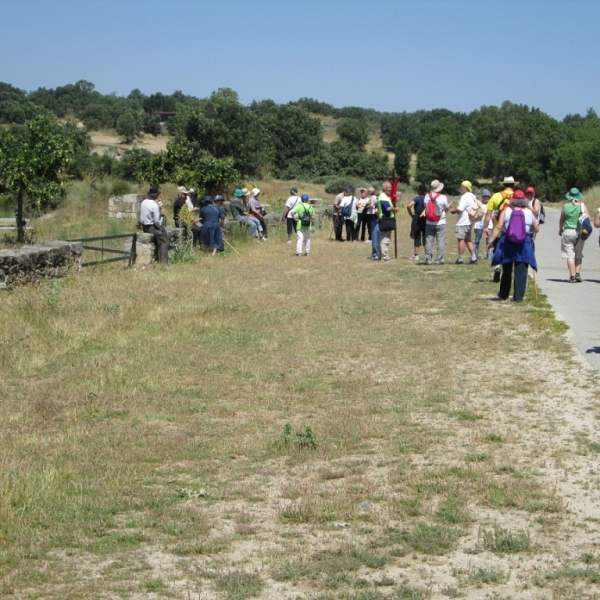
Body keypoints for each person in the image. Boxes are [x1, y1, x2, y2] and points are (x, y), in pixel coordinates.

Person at [486, 190, 538, 301]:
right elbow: (536, 228)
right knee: (521, 270)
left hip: (508, 242)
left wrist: (491, 241)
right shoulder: (529, 212)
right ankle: (518, 297)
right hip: (523, 244)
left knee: (507, 269)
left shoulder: (506, 211)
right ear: (524, 200)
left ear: (512, 199)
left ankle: (503, 294)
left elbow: (499, 227)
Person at [483, 176, 516, 281]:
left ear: (503, 185)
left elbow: (488, 213)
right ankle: (508, 270)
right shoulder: (517, 196)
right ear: (513, 185)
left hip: (498, 227)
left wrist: (485, 227)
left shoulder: (496, 196)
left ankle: (497, 266)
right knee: (509, 251)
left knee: (497, 248)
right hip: (514, 229)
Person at [559, 187, 589, 283]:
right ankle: (577, 273)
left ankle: (571, 276)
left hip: (568, 231)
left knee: (570, 255)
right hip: (579, 232)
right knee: (578, 254)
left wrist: (560, 229)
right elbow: (587, 219)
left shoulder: (565, 206)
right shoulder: (582, 206)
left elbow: (561, 219)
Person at [140, 186, 170, 264]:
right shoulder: (154, 205)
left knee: (163, 232)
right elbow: (156, 221)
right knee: (164, 241)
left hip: (144, 226)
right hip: (151, 227)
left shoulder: (144, 202)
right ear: (156, 195)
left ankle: (160, 255)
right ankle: (163, 261)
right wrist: (159, 227)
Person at [449, 180, 477, 264]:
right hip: (470, 221)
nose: (461, 188)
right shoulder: (473, 196)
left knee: (461, 239)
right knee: (468, 239)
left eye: (462, 186)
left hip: (463, 221)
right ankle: (473, 257)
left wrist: (453, 210)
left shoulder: (464, 197)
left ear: (465, 187)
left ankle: (460, 258)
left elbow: (460, 210)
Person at [423, 180, 451, 265]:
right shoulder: (442, 197)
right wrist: (448, 206)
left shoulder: (427, 196)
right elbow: (446, 209)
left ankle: (428, 259)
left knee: (429, 241)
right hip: (440, 222)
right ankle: (439, 259)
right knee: (440, 241)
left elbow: (426, 208)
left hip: (429, 222)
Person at [376, 180, 399, 262]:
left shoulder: (384, 196)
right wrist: (395, 209)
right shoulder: (383, 197)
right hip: (385, 219)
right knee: (384, 239)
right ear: (384, 188)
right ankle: (384, 257)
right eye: (388, 188)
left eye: (391, 188)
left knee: (384, 239)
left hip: (386, 219)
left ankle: (381, 255)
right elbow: (388, 208)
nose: (390, 189)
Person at [406, 184, 427, 261]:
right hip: (425, 218)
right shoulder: (427, 198)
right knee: (425, 236)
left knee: (417, 235)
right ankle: (426, 255)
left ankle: (416, 255)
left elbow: (409, 206)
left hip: (417, 218)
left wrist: (411, 214)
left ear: (420, 191)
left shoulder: (417, 198)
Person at [473, 189, 491, 259]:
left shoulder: (491, 205)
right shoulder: (479, 204)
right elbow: (476, 216)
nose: (486, 198)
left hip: (489, 226)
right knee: (477, 241)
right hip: (479, 225)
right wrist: (475, 226)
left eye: (488, 197)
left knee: (489, 241)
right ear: (482, 197)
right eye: (485, 197)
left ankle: (489, 256)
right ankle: (475, 255)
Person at [368, 186, 380, 260]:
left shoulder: (372, 197)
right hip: (378, 216)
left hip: (373, 214)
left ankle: (375, 254)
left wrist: (367, 206)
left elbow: (372, 205)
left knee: (374, 234)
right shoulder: (377, 197)